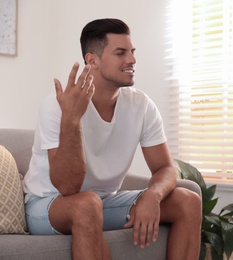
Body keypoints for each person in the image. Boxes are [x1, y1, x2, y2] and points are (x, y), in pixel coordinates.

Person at [23, 18, 202, 260]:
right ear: (92, 60)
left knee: (188, 201)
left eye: (132, 52)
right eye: (121, 53)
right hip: (48, 205)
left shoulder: (141, 105)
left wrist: (153, 195)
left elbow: (164, 168)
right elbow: (67, 187)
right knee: (87, 204)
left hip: (104, 203)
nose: (132, 60)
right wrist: (72, 121)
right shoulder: (57, 106)